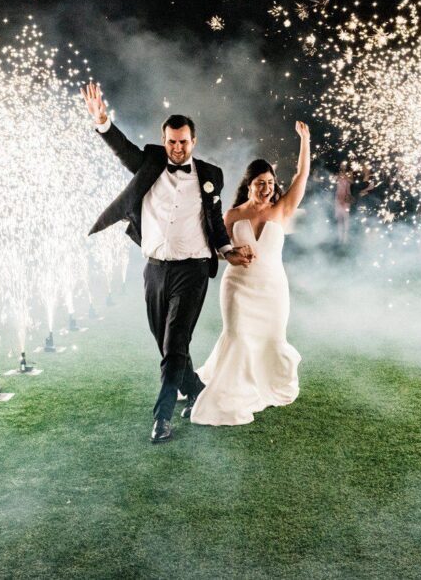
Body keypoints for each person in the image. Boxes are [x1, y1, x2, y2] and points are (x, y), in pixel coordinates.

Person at [81, 83, 254, 443]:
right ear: (164, 140)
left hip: (192, 270)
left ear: (194, 141)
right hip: (155, 270)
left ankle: (161, 418)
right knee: (165, 345)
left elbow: (214, 217)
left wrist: (227, 251)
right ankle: (196, 389)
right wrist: (103, 123)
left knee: (175, 344)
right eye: (172, 141)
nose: (177, 148)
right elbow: (122, 148)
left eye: (184, 141)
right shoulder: (149, 163)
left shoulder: (210, 175)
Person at [190, 120, 310, 426]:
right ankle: (231, 392)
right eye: (260, 182)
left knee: (272, 338)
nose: (267, 188)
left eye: (270, 182)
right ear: (249, 184)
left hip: (272, 289)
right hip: (238, 288)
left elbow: (301, 176)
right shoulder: (232, 215)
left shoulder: (282, 209)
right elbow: (217, 247)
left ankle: (264, 383)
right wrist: (232, 254)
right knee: (239, 337)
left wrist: (304, 141)